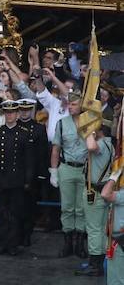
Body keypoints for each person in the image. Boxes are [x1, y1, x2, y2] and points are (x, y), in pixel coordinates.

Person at [0, 101, 34, 256]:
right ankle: (2, 244)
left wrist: (27, 180)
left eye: (12, 113)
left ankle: (13, 244)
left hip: (16, 179)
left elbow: (28, 159)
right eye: (7, 113)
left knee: (15, 214)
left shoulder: (24, 133)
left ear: (17, 114)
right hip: (0, 177)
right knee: (1, 213)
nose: (9, 115)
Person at [49, 90, 88, 259]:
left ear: (81, 106)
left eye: (74, 104)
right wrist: (54, 171)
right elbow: (56, 148)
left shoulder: (90, 123)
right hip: (67, 167)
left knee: (81, 208)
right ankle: (67, 242)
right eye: (69, 104)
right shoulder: (62, 123)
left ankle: (79, 243)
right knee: (67, 207)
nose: (70, 107)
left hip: (85, 169)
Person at [77, 120, 113, 276]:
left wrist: (89, 131)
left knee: (93, 229)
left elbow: (91, 146)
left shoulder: (102, 144)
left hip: (95, 192)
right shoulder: (109, 144)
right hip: (102, 191)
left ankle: (95, 264)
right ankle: (101, 261)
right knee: (101, 228)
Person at [17, 98, 48, 246]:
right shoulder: (13, 126)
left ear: (31, 110)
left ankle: (26, 235)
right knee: (15, 206)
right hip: (15, 172)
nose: (24, 112)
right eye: (22, 109)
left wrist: (42, 173)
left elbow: (42, 153)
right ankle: (16, 234)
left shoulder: (39, 129)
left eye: (27, 109)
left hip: (33, 173)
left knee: (30, 207)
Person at [100, 177, 124, 285]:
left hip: (119, 239)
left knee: (116, 280)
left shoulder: (121, 195)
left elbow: (105, 194)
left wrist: (114, 177)